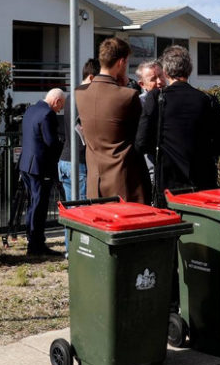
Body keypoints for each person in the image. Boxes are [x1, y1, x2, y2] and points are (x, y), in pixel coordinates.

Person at [136, 45, 220, 206]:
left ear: (165, 72)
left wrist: (161, 149)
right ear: (190, 70)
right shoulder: (208, 100)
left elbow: (141, 143)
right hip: (203, 182)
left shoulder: (157, 99)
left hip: (168, 185)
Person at [75, 37, 147, 202]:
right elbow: (140, 137)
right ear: (121, 62)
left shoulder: (80, 93)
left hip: (94, 183)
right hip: (125, 183)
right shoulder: (128, 95)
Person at [18, 88, 65, 257]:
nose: (60, 109)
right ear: (56, 101)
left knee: (33, 203)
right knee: (40, 205)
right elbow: (51, 142)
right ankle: (36, 244)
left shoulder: (31, 109)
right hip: (40, 166)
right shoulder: (48, 114)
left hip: (26, 164)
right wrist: (65, 147)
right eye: (61, 106)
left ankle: (32, 238)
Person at [58, 58, 99, 202]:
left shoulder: (71, 96)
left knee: (71, 213)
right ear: (91, 77)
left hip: (65, 160)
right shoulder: (85, 96)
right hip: (79, 162)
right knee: (81, 212)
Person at [135, 60, 166, 187]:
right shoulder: (139, 103)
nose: (159, 81)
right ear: (142, 84)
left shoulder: (172, 96)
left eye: (161, 76)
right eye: (153, 79)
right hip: (150, 160)